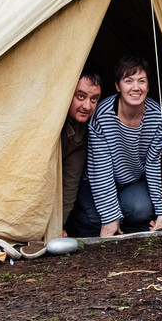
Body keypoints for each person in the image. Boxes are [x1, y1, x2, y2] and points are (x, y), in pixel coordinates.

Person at [66, 55, 162, 237]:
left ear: (148, 86)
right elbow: (100, 169)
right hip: (95, 182)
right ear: (117, 86)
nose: (136, 87)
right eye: (128, 81)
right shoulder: (101, 115)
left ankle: (122, 218)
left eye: (141, 81)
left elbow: (155, 167)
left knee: (141, 209)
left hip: (131, 182)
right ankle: (116, 218)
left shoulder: (161, 120)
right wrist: (109, 217)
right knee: (96, 219)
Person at [60, 71, 102, 236]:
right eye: (80, 97)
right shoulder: (48, 120)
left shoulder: (82, 129)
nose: (87, 106)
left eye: (93, 99)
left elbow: (71, 181)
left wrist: (58, 224)